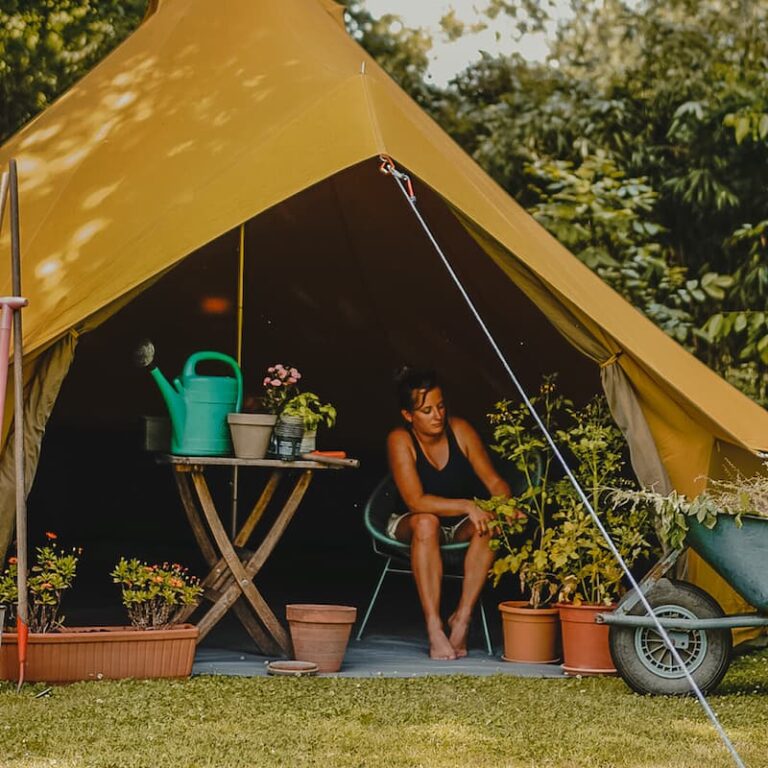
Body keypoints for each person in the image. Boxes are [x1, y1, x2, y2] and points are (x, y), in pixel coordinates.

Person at [386, 367, 512, 660]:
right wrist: (467, 505)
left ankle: (462, 617)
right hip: (411, 522)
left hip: (457, 526)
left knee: (488, 523)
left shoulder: (460, 430)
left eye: (441, 406)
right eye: (426, 410)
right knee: (426, 523)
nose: (437, 416)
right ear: (408, 415)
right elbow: (416, 501)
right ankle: (434, 626)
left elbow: (495, 483)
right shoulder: (400, 439)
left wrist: (504, 506)